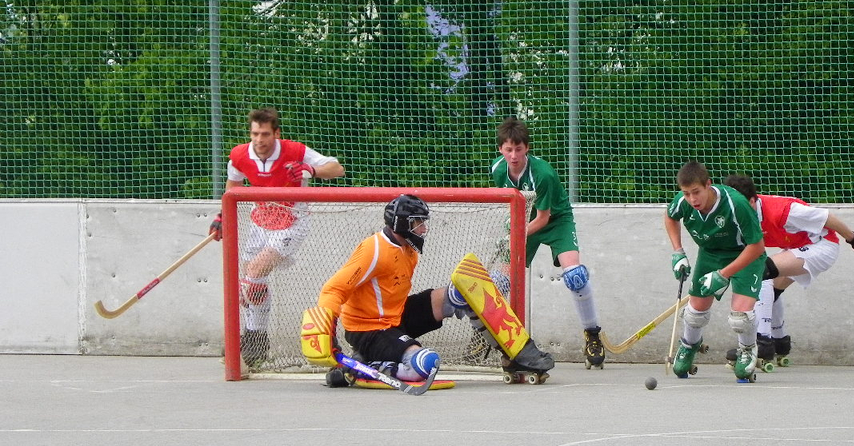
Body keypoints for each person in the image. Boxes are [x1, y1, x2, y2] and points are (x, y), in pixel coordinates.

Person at [303, 194, 553, 387]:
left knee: (461, 293)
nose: (423, 228)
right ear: (401, 223)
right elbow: (333, 289)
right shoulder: (374, 249)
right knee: (424, 365)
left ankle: (513, 355)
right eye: (417, 222)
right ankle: (357, 367)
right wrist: (327, 330)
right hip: (368, 329)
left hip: (395, 318)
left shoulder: (408, 249)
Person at [208, 107, 345, 365]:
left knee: (255, 272)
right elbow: (233, 186)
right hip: (260, 221)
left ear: (276, 133)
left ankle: (254, 339)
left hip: (291, 222)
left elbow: (337, 169)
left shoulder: (295, 151)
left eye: (265, 134)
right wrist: (222, 216)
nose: (259, 140)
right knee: (251, 283)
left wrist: (310, 170)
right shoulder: (239, 155)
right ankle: (255, 338)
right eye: (255, 134)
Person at [489, 117, 607, 369]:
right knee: (499, 281)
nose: (513, 156)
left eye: (518, 149)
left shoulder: (543, 174)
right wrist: (510, 231)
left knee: (575, 276)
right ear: (500, 149)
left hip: (554, 220)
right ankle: (485, 334)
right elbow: (508, 205)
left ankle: (592, 334)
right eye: (508, 149)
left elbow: (543, 218)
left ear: (527, 148)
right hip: (522, 220)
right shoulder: (498, 170)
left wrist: (515, 235)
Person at [723, 174, 854, 366]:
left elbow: (826, 217)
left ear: (752, 201)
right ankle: (780, 341)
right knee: (770, 291)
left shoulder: (782, 210)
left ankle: (762, 342)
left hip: (822, 246)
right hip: (795, 248)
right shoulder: (740, 217)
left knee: (760, 273)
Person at [664, 161, 767, 381]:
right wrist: (678, 252)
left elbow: (757, 246)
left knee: (740, 316)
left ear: (708, 185)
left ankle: (748, 350)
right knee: (694, 312)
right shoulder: (683, 201)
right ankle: (689, 345)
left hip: (745, 254)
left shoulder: (736, 204)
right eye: (686, 193)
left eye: (696, 192)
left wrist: (723, 274)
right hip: (710, 253)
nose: (692, 199)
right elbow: (670, 217)